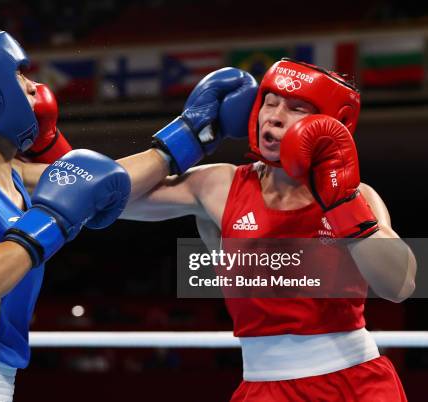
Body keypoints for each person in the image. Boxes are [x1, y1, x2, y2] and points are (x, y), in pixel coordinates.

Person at [0, 25, 257, 401]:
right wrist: (52, 221)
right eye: (19, 74)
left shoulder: (8, 174)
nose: (34, 87)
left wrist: (190, 137)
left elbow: (106, 187)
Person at [121, 58, 417, 401]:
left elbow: (401, 285)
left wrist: (342, 206)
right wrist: (183, 143)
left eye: (295, 107)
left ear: (330, 124)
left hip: (355, 383)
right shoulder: (219, 186)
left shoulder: (359, 196)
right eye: (269, 102)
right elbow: (110, 198)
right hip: (264, 385)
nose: (274, 116)